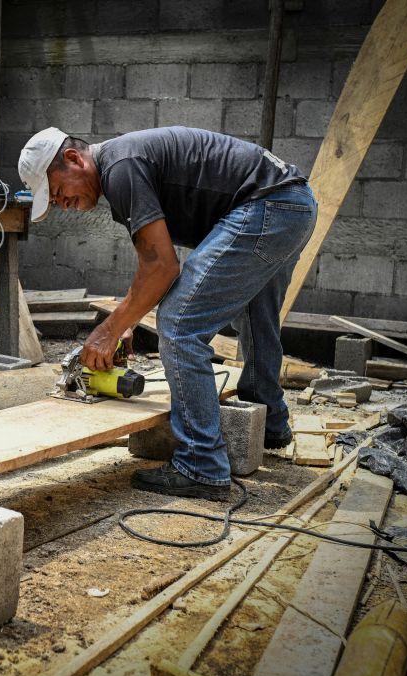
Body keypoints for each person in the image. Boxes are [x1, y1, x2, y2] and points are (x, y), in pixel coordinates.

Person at [18, 126, 317, 501]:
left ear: (74, 159)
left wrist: (109, 330)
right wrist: (125, 320)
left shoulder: (121, 167)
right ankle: (268, 421)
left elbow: (163, 267)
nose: (62, 203)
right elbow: (151, 258)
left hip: (267, 206)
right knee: (256, 315)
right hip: (292, 204)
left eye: (58, 191)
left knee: (179, 324)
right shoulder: (122, 164)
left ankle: (202, 465)